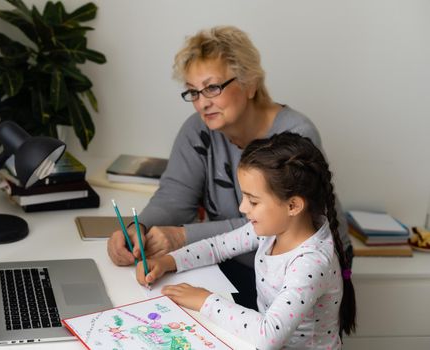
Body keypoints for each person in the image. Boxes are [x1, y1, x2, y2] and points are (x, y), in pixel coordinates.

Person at [107, 25, 352, 309]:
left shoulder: (296, 135)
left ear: (249, 83)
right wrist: (139, 228)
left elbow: (272, 224)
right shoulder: (197, 130)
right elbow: (174, 195)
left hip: (291, 269)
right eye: (193, 92)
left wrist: (181, 236)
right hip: (230, 260)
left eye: (212, 88)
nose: (202, 103)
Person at [136, 132, 357, 349]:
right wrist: (169, 261)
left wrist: (204, 300)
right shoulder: (274, 228)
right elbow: (217, 246)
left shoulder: (311, 263)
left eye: (253, 201)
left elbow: (267, 336)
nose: (243, 208)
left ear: (293, 206)